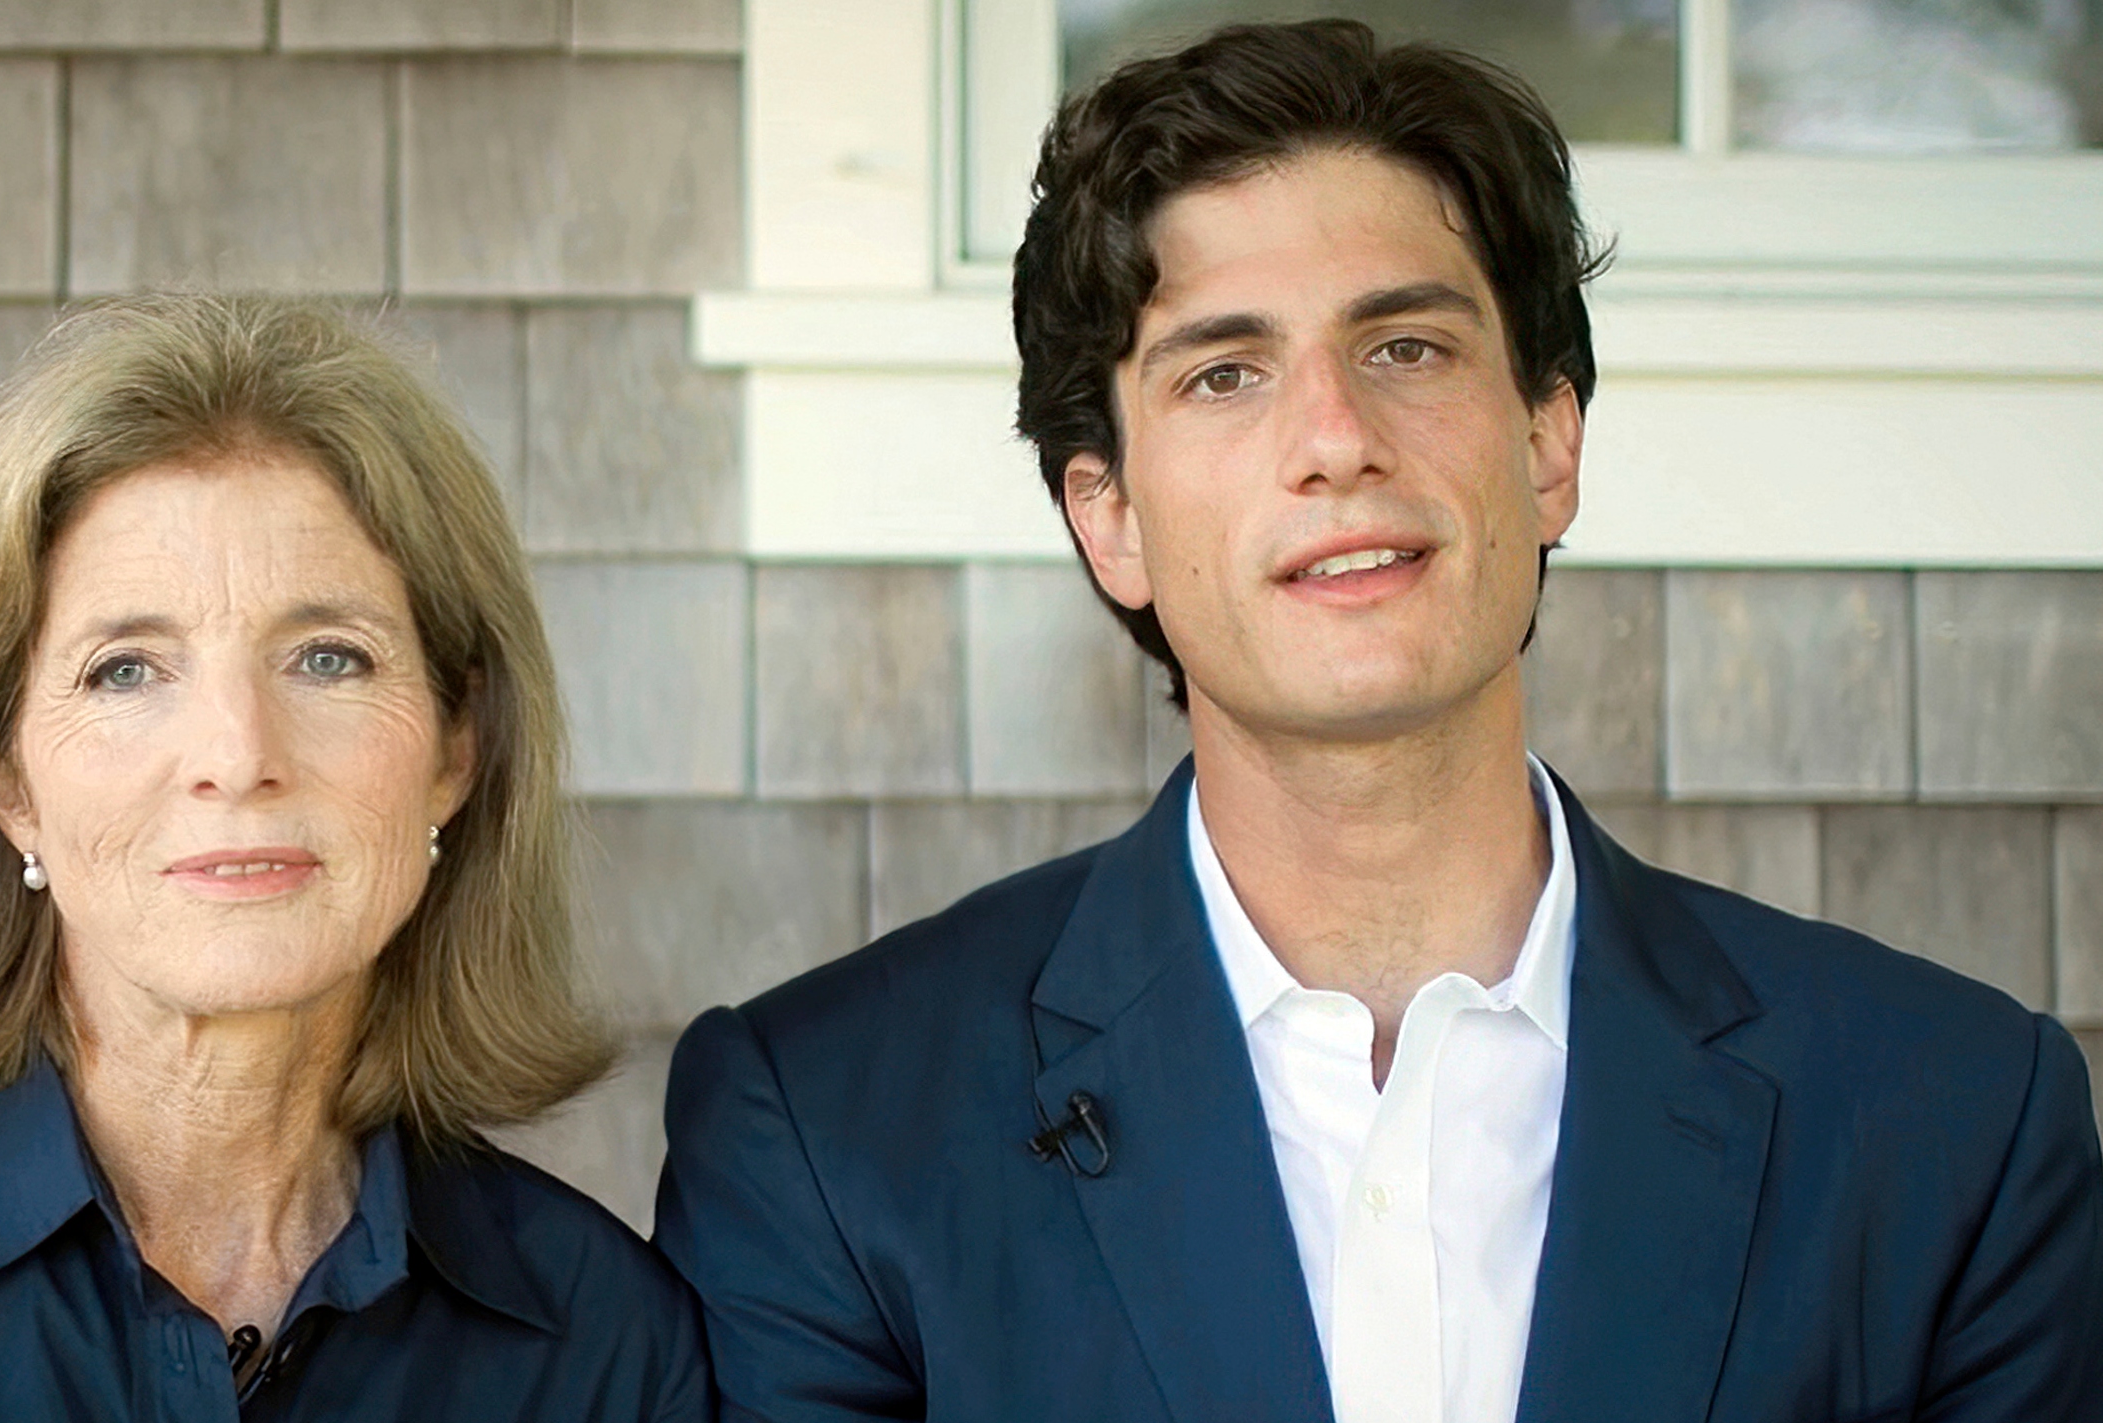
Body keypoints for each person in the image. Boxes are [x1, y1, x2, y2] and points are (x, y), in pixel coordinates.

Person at [653, 20, 2103, 1423]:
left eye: (1405, 346)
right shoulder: (829, 1130)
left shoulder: (1953, 1123)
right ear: (1108, 518)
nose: (1335, 435)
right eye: (1224, 372)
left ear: (1547, 443)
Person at [0, 295, 710, 1421]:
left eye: (328, 657)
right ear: (8, 783)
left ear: (455, 752)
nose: (237, 754)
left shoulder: (607, 1342)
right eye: (126, 668)